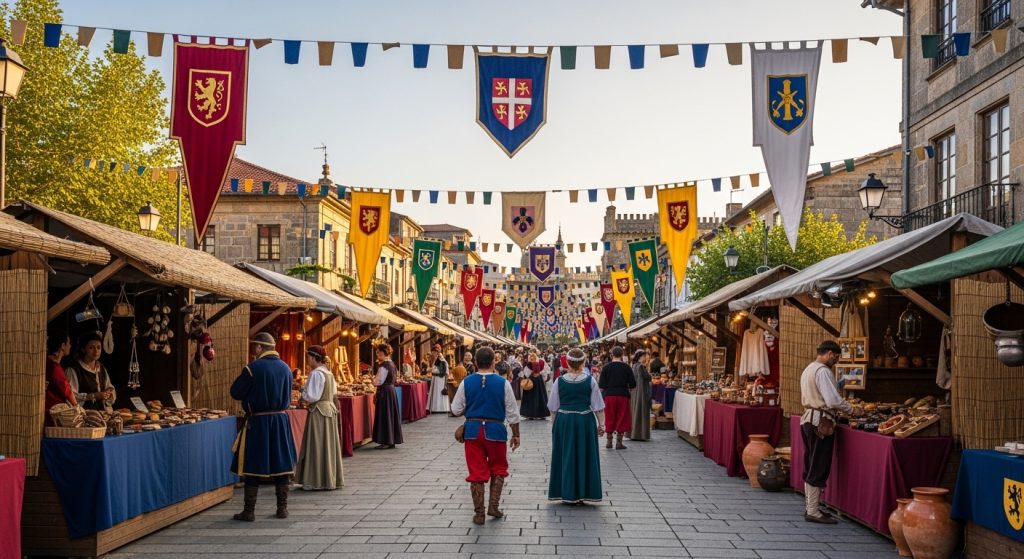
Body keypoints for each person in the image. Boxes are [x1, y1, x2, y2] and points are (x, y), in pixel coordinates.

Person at [230, 332, 297, 521]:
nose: (254, 351)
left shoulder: (253, 368)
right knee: (281, 463)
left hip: (259, 422)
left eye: (255, 347)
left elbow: (235, 392)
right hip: (280, 421)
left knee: (253, 463)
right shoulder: (286, 368)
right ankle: (282, 508)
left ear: (259, 348)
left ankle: (249, 511)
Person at [451, 346, 521, 525]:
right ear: (493, 362)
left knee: (476, 471)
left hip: (473, 431)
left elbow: (456, 409)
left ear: (475, 362)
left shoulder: (467, 382)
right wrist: (516, 434)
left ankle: (479, 513)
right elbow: (512, 412)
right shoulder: (503, 383)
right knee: (498, 468)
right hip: (496, 431)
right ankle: (493, 506)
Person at [800, 340, 863, 524]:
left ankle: (811, 507)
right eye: (835, 357)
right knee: (818, 464)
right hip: (821, 422)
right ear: (828, 353)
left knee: (811, 462)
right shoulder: (823, 371)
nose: (835, 361)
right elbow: (833, 400)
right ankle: (812, 511)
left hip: (809, 419)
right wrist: (853, 410)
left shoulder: (809, 369)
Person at [548, 348, 606, 504]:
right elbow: (598, 406)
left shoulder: (559, 381)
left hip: (564, 420)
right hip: (584, 420)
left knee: (565, 455)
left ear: (567, 363)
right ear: (583, 363)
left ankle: (565, 492)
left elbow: (553, 407)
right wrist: (602, 425)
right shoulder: (590, 380)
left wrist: (554, 426)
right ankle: (583, 492)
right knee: (584, 455)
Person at [294, 346, 344, 491]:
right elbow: (333, 393)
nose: (307, 360)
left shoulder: (316, 374)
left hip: (318, 412)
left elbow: (312, 396)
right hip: (329, 411)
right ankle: (328, 478)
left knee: (316, 445)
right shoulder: (329, 374)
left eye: (308, 357)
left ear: (314, 357)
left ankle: (315, 480)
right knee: (327, 445)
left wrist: (303, 391)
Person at [65, 332, 116, 413]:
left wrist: (109, 393)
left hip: (102, 415)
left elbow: (109, 387)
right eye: (91, 348)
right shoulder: (74, 369)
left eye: (98, 348)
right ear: (83, 349)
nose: (96, 351)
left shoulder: (101, 368)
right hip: (83, 416)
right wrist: (93, 396)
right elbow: (70, 396)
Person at [598, 346, 636, 449]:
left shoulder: (606, 367)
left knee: (609, 417)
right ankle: (619, 443)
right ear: (622, 355)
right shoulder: (627, 367)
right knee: (622, 417)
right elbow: (633, 384)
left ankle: (609, 442)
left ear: (611, 355)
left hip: (609, 395)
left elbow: (601, 385)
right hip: (622, 395)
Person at [371, 344, 404, 449]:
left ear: (383, 352)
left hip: (385, 392)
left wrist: (372, 380)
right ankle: (391, 440)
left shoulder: (384, 365)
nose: (377, 354)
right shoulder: (392, 364)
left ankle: (386, 441)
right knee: (390, 415)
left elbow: (378, 382)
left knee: (385, 415)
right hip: (390, 390)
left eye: (378, 352)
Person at [44, 330, 77, 425]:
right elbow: (67, 391)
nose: (70, 346)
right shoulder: (53, 367)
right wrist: (77, 408)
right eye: (69, 343)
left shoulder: (48, 363)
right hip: (54, 415)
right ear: (63, 346)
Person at [629, 349, 652, 441]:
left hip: (635, 392)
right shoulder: (641, 367)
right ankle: (641, 434)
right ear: (639, 357)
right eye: (644, 356)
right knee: (641, 411)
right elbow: (648, 377)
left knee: (635, 411)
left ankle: (634, 433)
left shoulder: (634, 366)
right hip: (641, 392)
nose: (645, 358)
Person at [519, 352, 550, 419]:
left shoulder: (529, 364)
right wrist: (543, 378)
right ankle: (541, 414)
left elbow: (526, 373)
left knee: (530, 397)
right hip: (539, 381)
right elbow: (546, 372)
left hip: (531, 380)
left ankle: (530, 414)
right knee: (540, 396)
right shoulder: (541, 362)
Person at [426, 344, 450, 413]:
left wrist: (432, 370)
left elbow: (443, 369)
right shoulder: (434, 358)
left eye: (437, 349)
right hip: (435, 378)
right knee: (436, 393)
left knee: (439, 392)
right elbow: (430, 368)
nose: (434, 353)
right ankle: (435, 408)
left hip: (440, 378)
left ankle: (441, 408)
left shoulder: (441, 358)